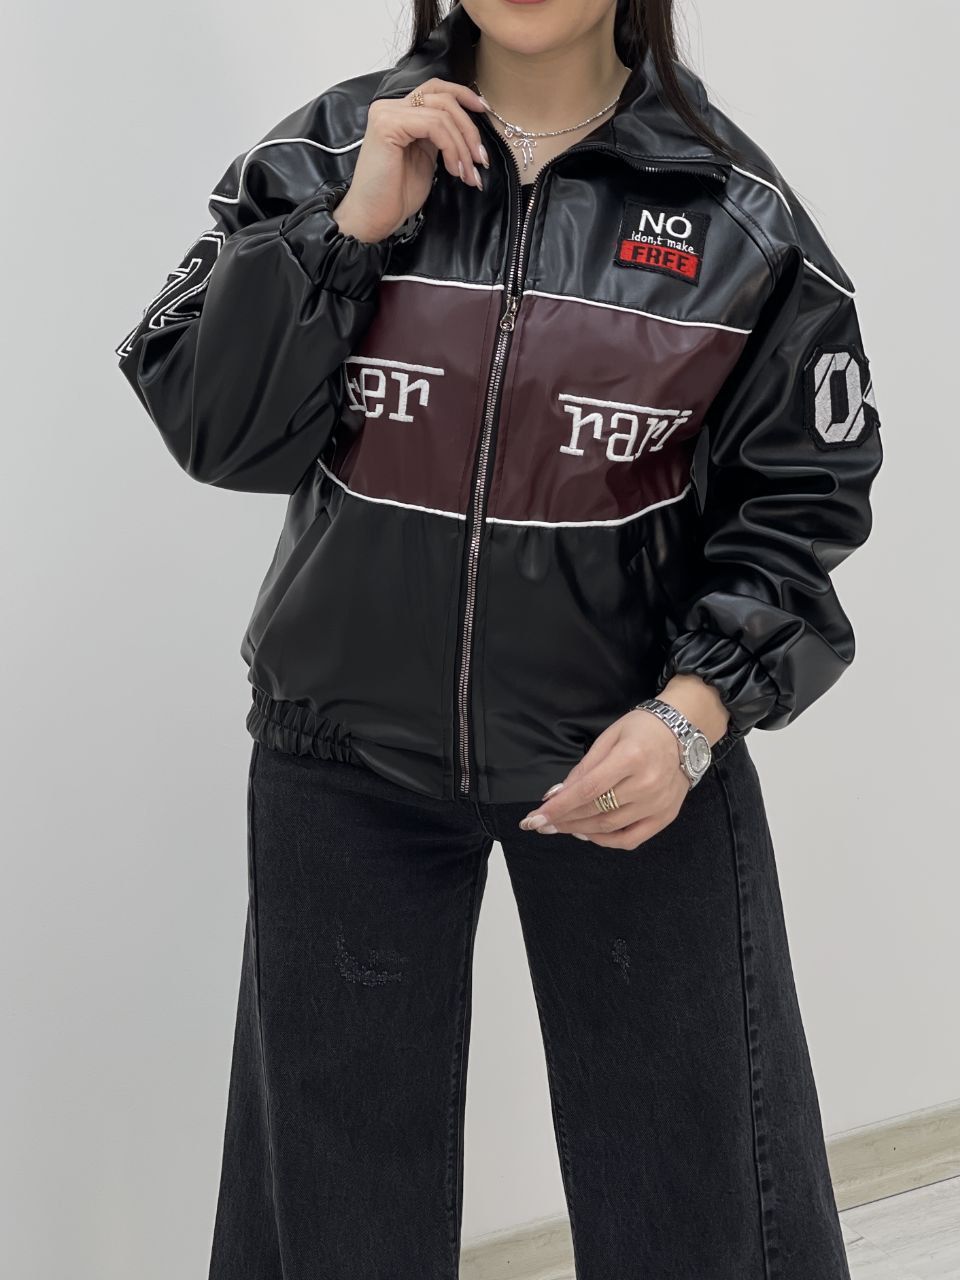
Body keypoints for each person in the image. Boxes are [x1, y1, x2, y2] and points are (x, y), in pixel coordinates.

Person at [114, 0, 883, 1275]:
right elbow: (216, 428)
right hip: (340, 761)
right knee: (330, 1226)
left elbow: (804, 501)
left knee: (708, 1205)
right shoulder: (325, 157)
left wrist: (694, 713)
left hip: (630, 757)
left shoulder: (736, 215)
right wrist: (350, 230)